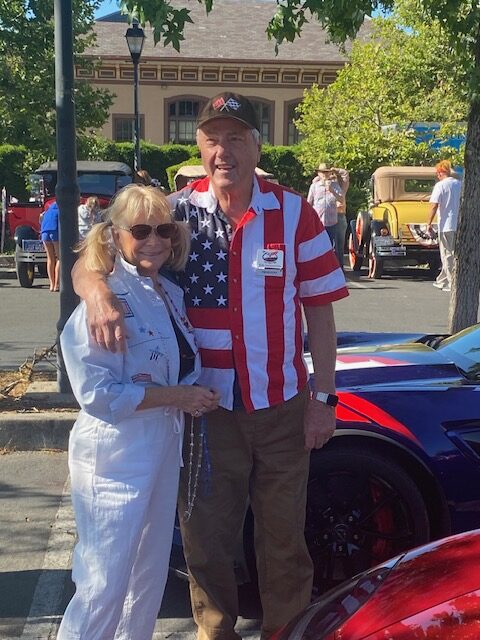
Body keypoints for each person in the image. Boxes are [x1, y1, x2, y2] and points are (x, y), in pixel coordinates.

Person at [71, 92, 348, 640]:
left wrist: (324, 399)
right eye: (213, 139)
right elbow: (96, 251)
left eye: (236, 138)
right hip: (207, 413)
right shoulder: (172, 215)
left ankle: (285, 632)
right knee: (206, 542)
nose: (225, 151)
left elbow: (320, 312)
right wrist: (97, 292)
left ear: (257, 147)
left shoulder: (295, 213)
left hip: (283, 409)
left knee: (284, 542)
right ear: (199, 148)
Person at [57, 184, 220, 640]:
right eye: (140, 231)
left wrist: (191, 394)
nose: (154, 241)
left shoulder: (169, 292)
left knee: (145, 580)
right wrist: (179, 397)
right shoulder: (104, 300)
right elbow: (98, 394)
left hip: (163, 447)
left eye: (163, 230)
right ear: (115, 236)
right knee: (103, 584)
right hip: (116, 455)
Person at [427, 160, 461, 293]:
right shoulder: (459, 184)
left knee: (447, 255)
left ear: (441, 172)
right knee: (454, 253)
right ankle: (442, 280)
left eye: (437, 173)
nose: (437, 175)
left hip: (446, 224)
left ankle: (452, 283)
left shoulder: (440, 185)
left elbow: (434, 205)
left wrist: (429, 223)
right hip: (459, 224)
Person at [307, 163, 343, 251]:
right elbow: (309, 203)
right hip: (318, 222)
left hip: (331, 223)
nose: (324, 174)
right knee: (317, 247)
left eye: (327, 172)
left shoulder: (335, 186)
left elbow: (341, 200)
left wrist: (332, 190)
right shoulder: (314, 186)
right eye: (322, 172)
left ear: (330, 173)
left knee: (330, 248)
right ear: (318, 173)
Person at [40, 199, 60, 291]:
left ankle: (51, 284)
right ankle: (57, 284)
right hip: (55, 232)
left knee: (50, 258)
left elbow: (41, 221)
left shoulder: (48, 211)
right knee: (60, 258)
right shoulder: (61, 210)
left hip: (44, 233)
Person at [334, 167, 350, 270]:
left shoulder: (341, 188)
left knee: (339, 246)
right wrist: (325, 176)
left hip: (339, 216)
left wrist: (333, 170)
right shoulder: (321, 185)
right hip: (325, 217)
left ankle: (340, 268)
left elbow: (345, 174)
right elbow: (316, 180)